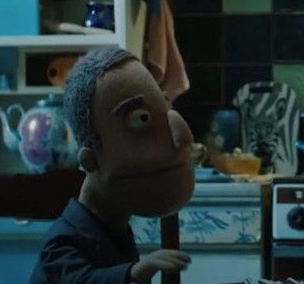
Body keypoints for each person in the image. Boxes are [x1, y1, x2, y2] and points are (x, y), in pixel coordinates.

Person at [30, 48, 196, 283]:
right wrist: (134, 272)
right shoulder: (64, 240)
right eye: (141, 118)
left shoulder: (116, 228)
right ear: (90, 160)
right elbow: (82, 280)